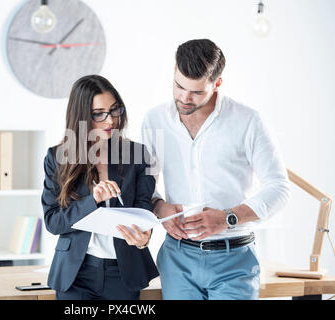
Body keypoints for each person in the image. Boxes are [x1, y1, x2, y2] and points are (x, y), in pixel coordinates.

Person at [142, 39, 291, 300]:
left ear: (217, 83)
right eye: (179, 86)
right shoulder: (154, 120)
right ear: (174, 70)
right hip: (177, 260)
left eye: (197, 92)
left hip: (234, 261)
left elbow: (279, 188)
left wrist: (228, 217)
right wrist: (159, 207)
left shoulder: (248, 121)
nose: (184, 98)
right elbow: (144, 184)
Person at [42, 74, 159, 300]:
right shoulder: (58, 158)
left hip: (122, 272)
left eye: (115, 110)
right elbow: (53, 222)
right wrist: (92, 201)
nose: (110, 121)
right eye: (98, 114)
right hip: (76, 274)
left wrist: (145, 237)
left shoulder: (136, 154)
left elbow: (144, 210)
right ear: (81, 117)